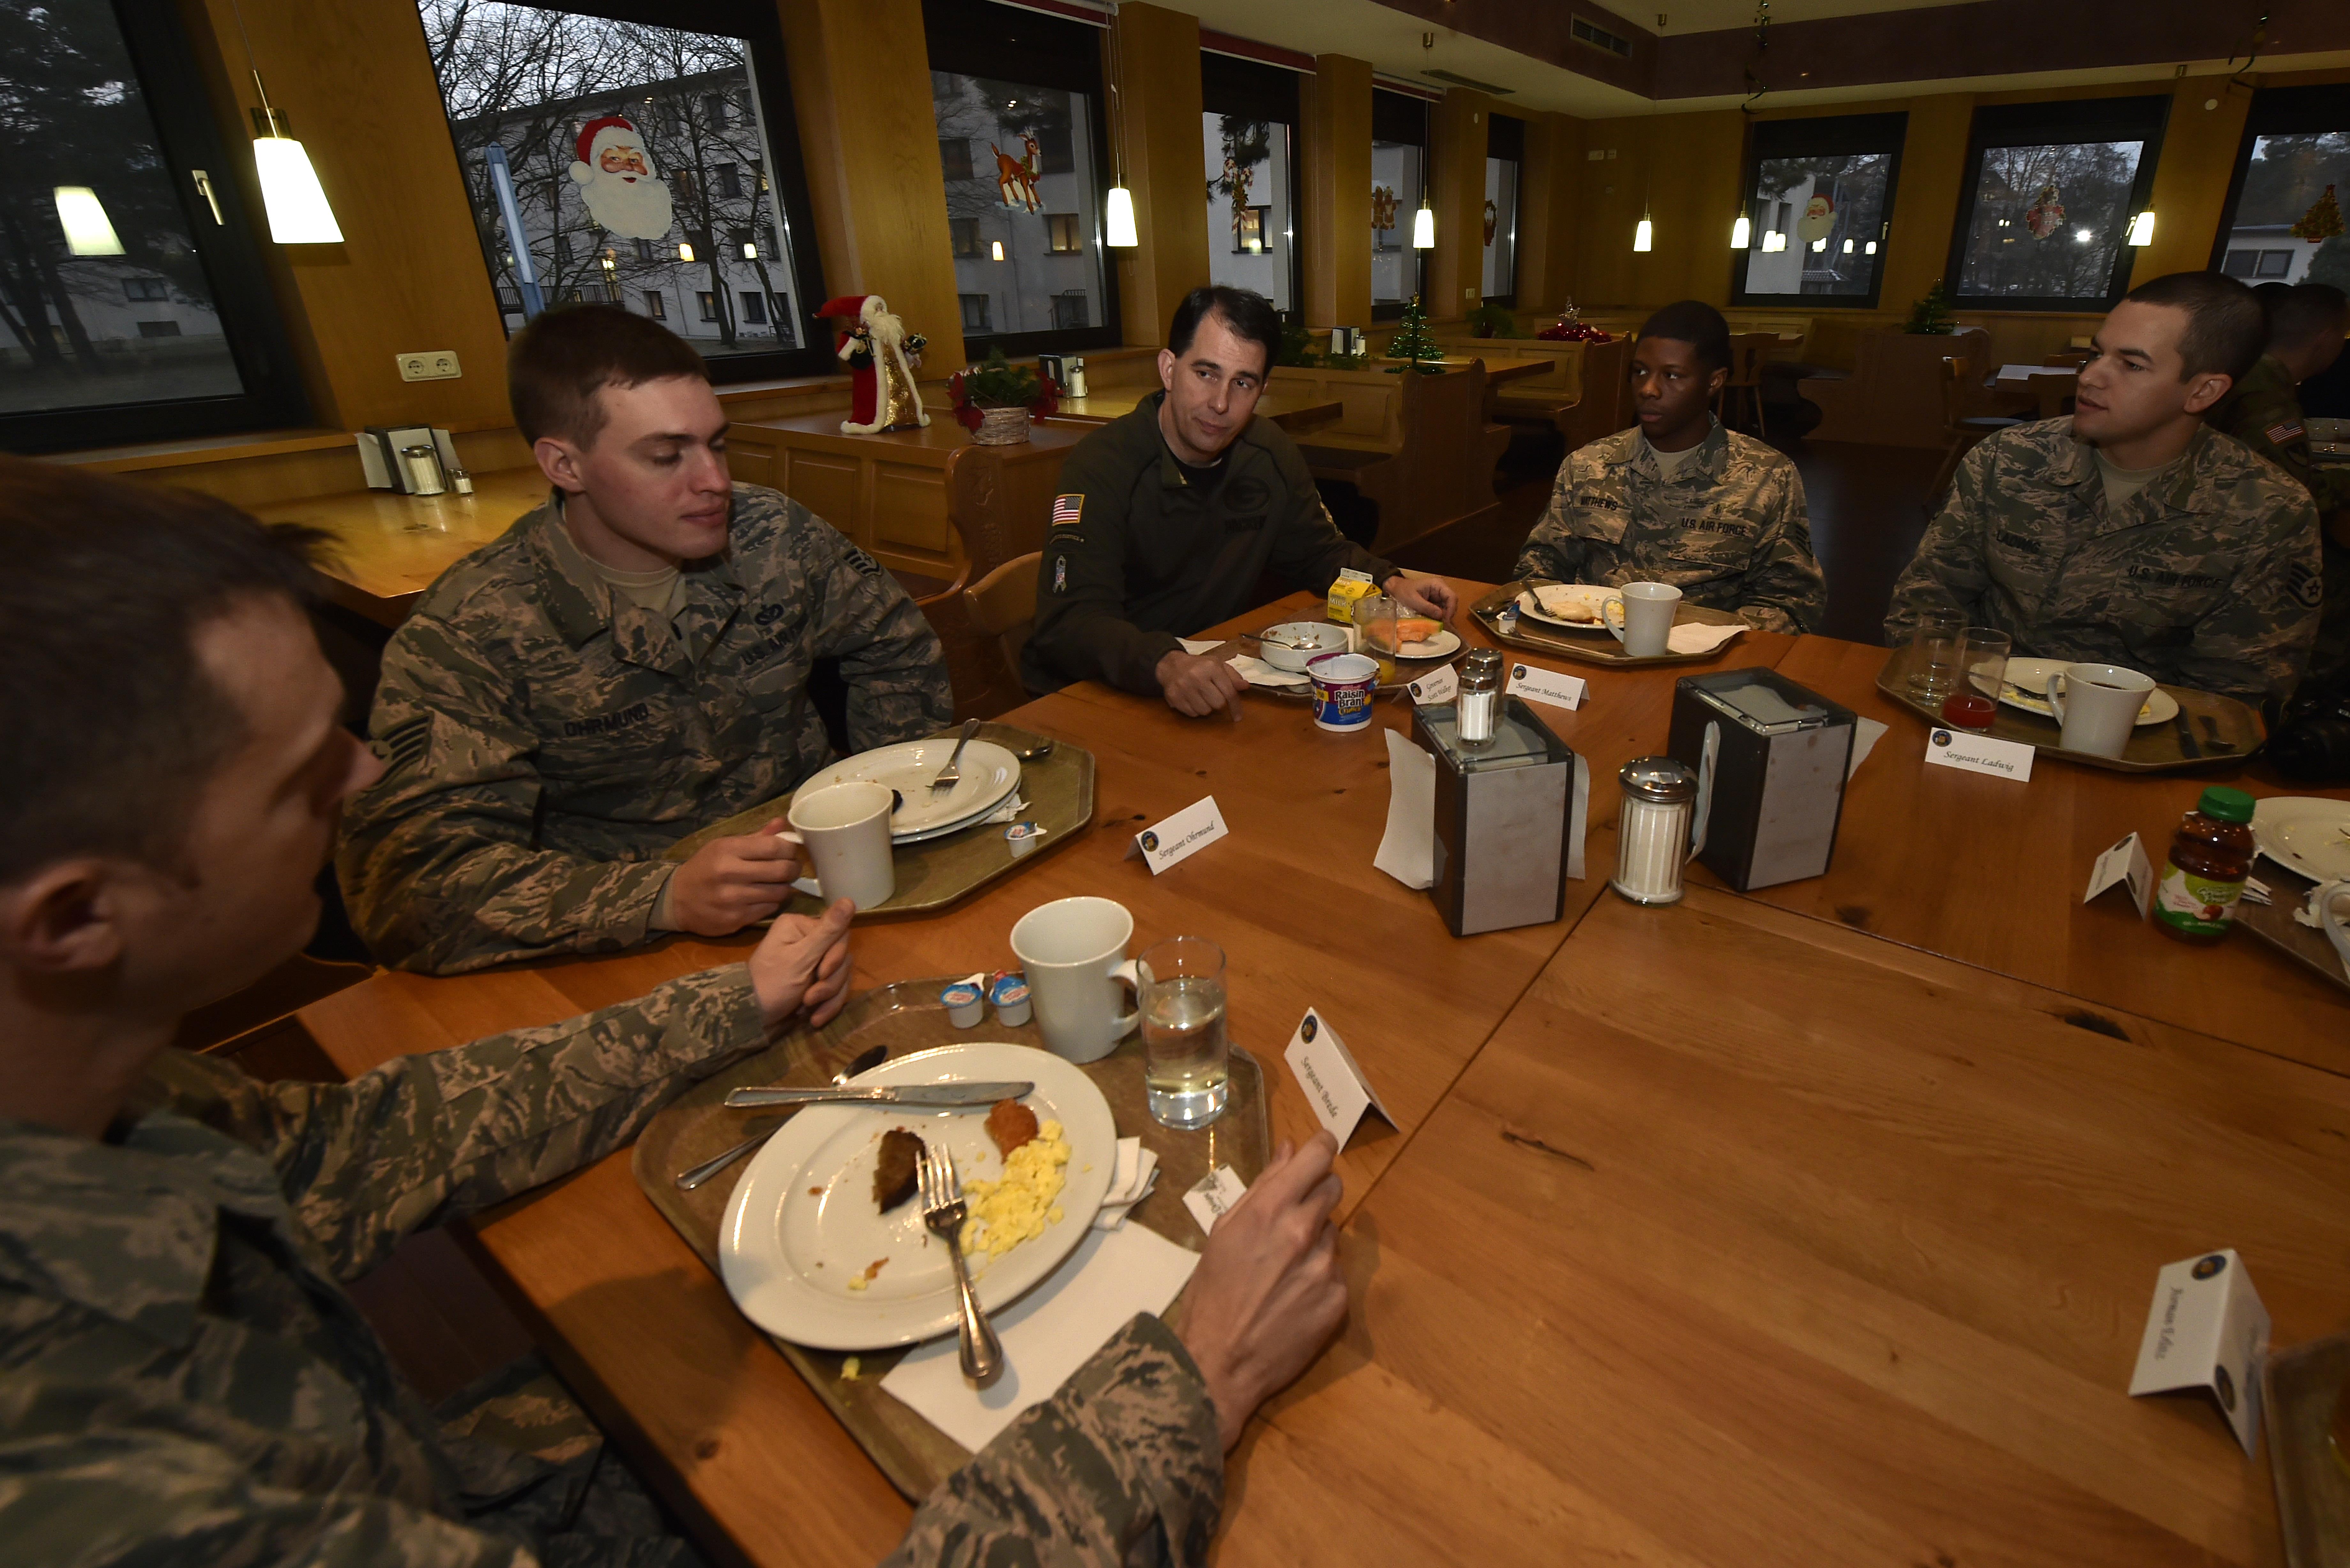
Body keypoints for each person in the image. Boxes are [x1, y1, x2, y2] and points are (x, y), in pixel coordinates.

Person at [0, 458, 1352, 1567]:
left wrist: (723, 1006)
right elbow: (420, 892)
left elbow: (347, 1144)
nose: (363, 772)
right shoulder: (95, 1488)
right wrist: (1197, 1374)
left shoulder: (106, 1100)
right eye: (301, 771)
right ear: (71, 919)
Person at [337, 305, 953, 975]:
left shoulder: (772, 533)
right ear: (564, 466)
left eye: (715, 444)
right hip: (613, 945)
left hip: (816, 893)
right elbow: (409, 895)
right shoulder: (473, 629)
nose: (714, 481)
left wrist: (883, 811)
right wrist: (661, 896)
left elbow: (896, 645)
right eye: (665, 456)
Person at [1886, 271, 2323, 705]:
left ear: (2203, 391)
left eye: (2132, 365)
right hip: (1977, 710)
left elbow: (2237, 695)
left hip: (2142, 747)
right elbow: (1928, 602)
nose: (2091, 377)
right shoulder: (2009, 458)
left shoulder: (2268, 512)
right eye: (2096, 354)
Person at [1024, 285, 1459, 717]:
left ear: (1263, 388)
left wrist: (1392, 583)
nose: (1220, 403)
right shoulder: (1103, 465)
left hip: (1213, 675)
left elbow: (1318, 552)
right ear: (1169, 369)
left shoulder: (1268, 452)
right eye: (1206, 373)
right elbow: (1069, 623)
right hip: (1098, 695)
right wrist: (1165, 663)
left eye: (1243, 383)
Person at [1513, 299, 1825, 634]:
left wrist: (1707, 638)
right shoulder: (1588, 466)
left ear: (1714, 382)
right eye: (1640, 372)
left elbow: (1790, 603)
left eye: (1672, 375)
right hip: (1590, 644)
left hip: (1706, 660)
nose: (1648, 389)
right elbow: (1539, 570)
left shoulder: (1766, 477)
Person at [2205, 281, 2350, 681]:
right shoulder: (2267, 399)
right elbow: (2294, 495)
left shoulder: (2245, 375)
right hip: (2233, 549)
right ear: (2325, 339)